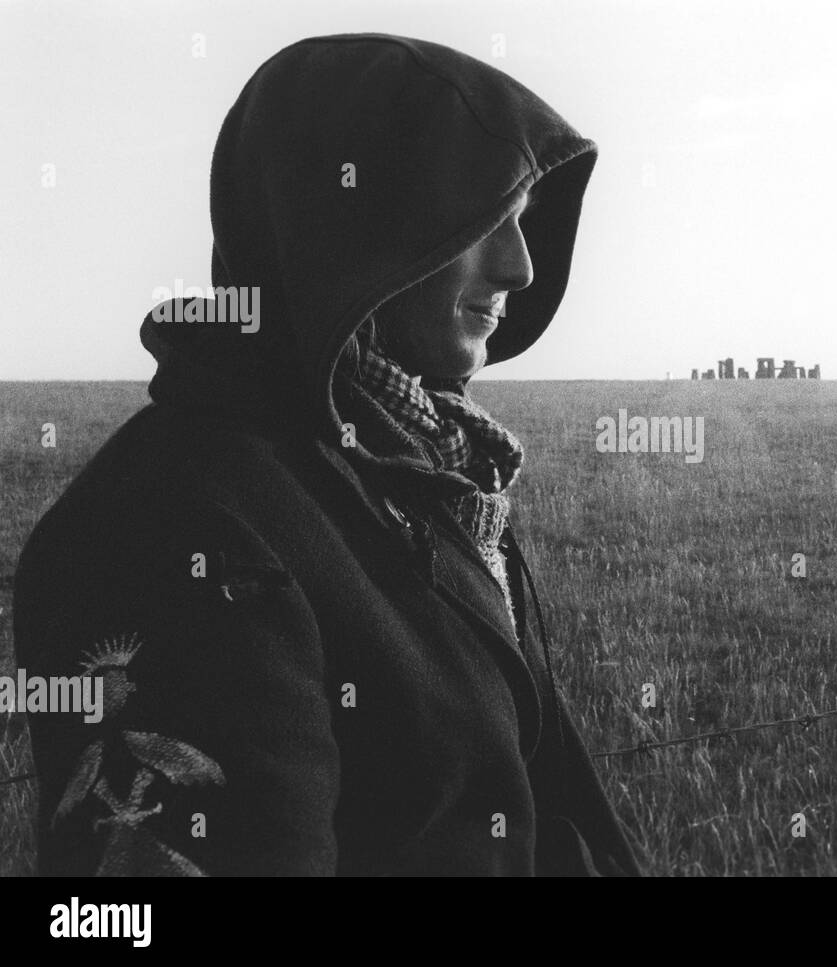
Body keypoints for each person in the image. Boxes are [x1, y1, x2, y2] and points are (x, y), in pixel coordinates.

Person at [14, 33, 642, 876]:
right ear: (354, 222)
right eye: (488, 217)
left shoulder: (424, 473)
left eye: (524, 221)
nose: (522, 266)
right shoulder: (171, 530)